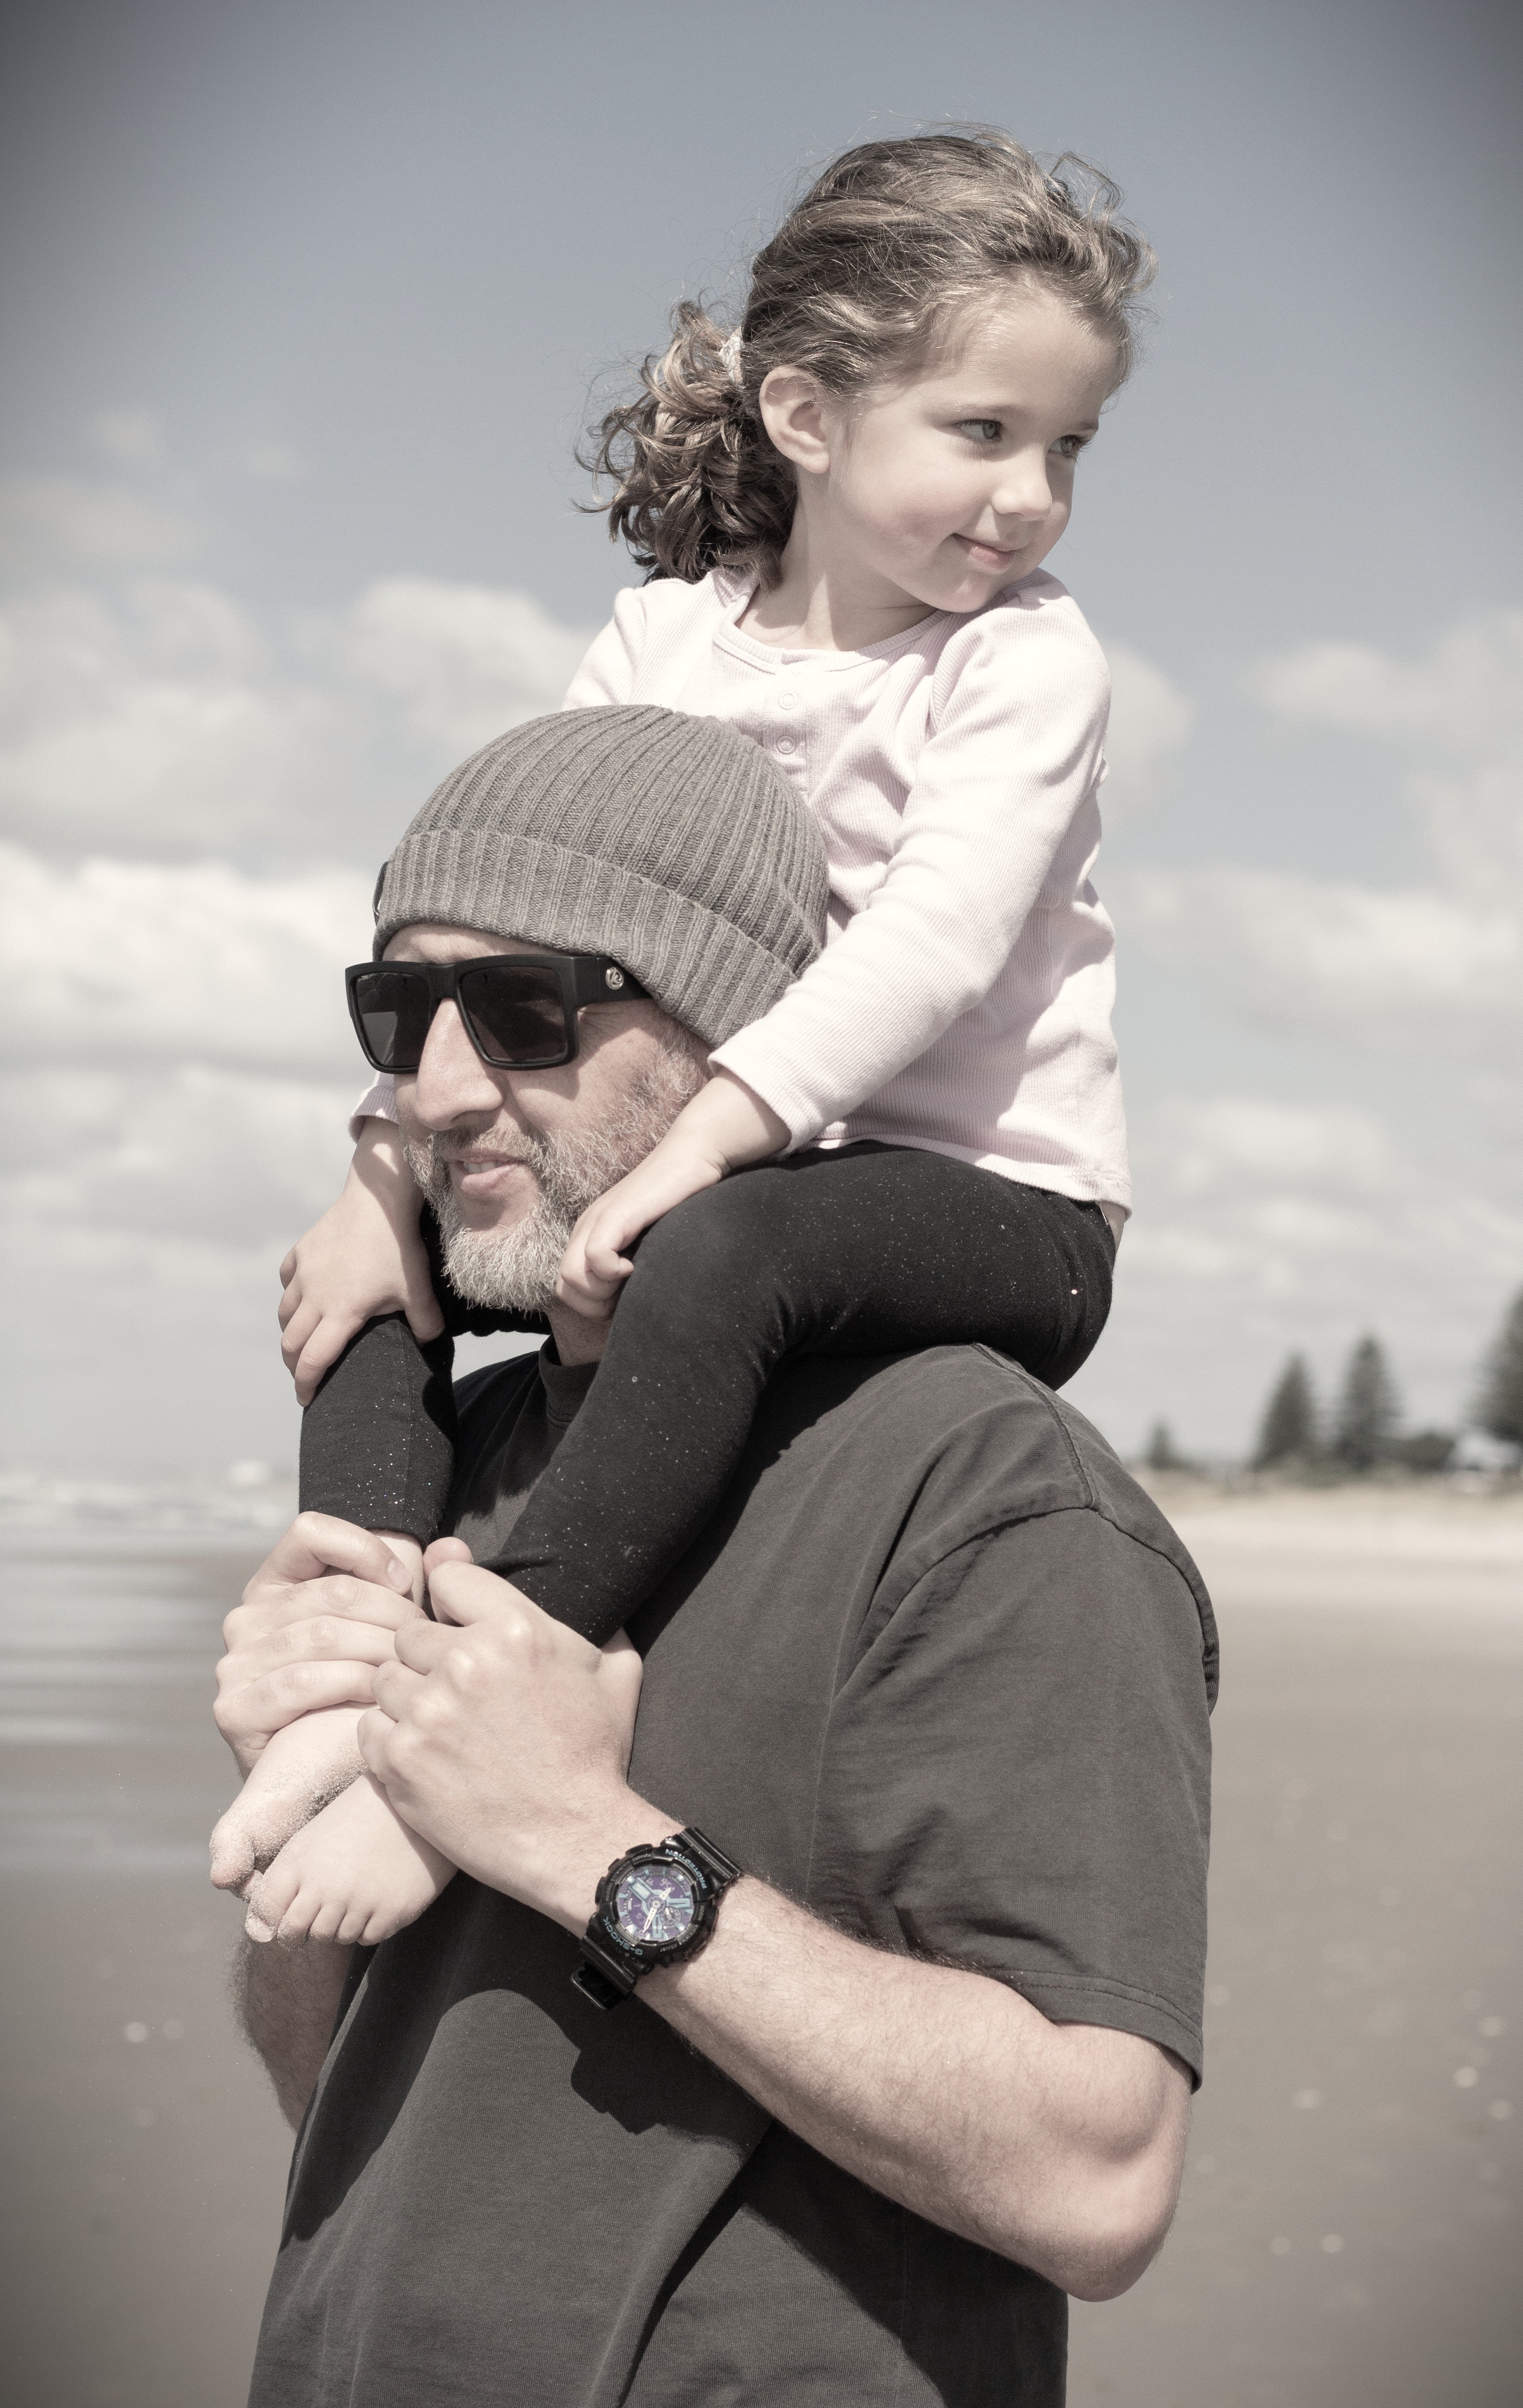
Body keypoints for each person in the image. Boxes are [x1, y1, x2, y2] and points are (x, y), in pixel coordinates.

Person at [224, 713, 1216, 2405]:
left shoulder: (980, 1488)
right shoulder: (457, 1458)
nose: (439, 1087)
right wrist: (296, 1799)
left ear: (743, 1039)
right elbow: (329, 2083)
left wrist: (586, 1843)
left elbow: (1096, 2179)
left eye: (525, 1009)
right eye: (401, 1011)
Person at [228, 134, 1149, 1950]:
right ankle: (357, 1660)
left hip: (990, 1200)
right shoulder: (664, 638)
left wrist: (710, 1138)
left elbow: (938, 942)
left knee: (731, 1251)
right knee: (369, 1276)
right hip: (730, 1180)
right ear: (806, 414)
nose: (1032, 494)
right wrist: (380, 1171)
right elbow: (513, 912)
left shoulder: (1023, 662)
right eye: (983, 431)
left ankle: (498, 1690)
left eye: (1069, 448)